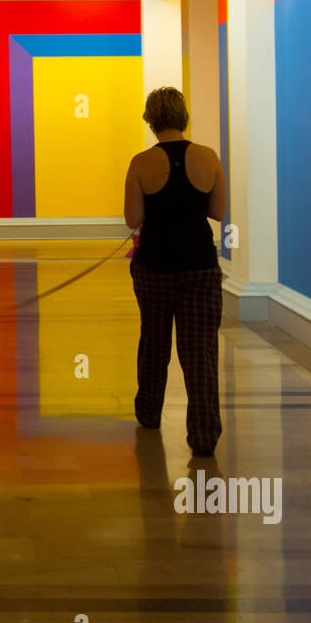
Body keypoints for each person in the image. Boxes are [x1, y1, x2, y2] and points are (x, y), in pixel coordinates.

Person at [123, 87, 227, 456]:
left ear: (151, 121)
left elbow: (133, 218)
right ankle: (203, 436)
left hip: (154, 266)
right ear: (184, 118)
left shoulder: (141, 162)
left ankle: (150, 412)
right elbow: (218, 212)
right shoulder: (208, 157)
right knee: (199, 352)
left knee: (154, 342)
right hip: (200, 267)